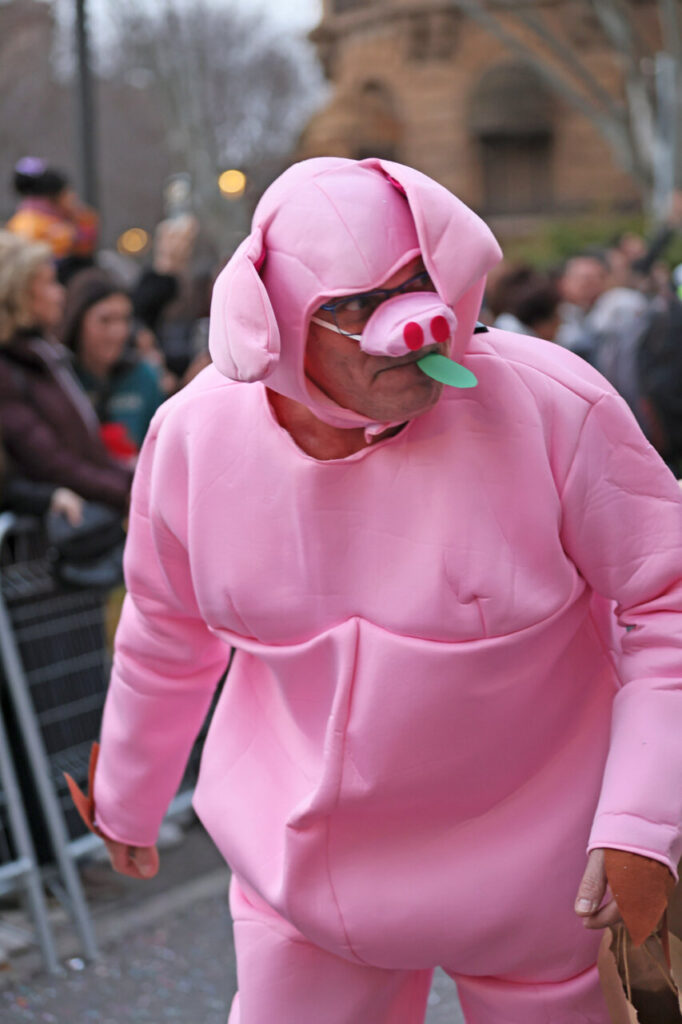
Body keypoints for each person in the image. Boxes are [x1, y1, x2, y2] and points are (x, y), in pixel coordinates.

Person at [75, 159, 682, 1024]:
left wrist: (640, 823)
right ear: (275, 319)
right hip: (305, 887)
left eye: (418, 283)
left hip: (546, 880)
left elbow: (666, 604)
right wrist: (129, 802)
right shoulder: (192, 438)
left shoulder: (555, 405)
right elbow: (165, 632)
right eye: (354, 304)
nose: (411, 325)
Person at [0, 232, 132, 510]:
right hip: (55, 534)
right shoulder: (10, 369)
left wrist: (134, 480)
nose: (61, 294)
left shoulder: (42, 356)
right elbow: (51, 462)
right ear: (19, 291)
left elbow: (84, 452)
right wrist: (128, 491)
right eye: (49, 283)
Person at [60, 269, 165, 455]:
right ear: (77, 320)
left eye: (124, 320)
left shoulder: (144, 377)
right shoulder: (60, 378)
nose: (118, 332)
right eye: (105, 320)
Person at [5, 158, 98, 284]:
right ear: (54, 197)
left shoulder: (51, 220)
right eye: (67, 193)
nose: (73, 197)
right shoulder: (33, 223)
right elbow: (82, 248)